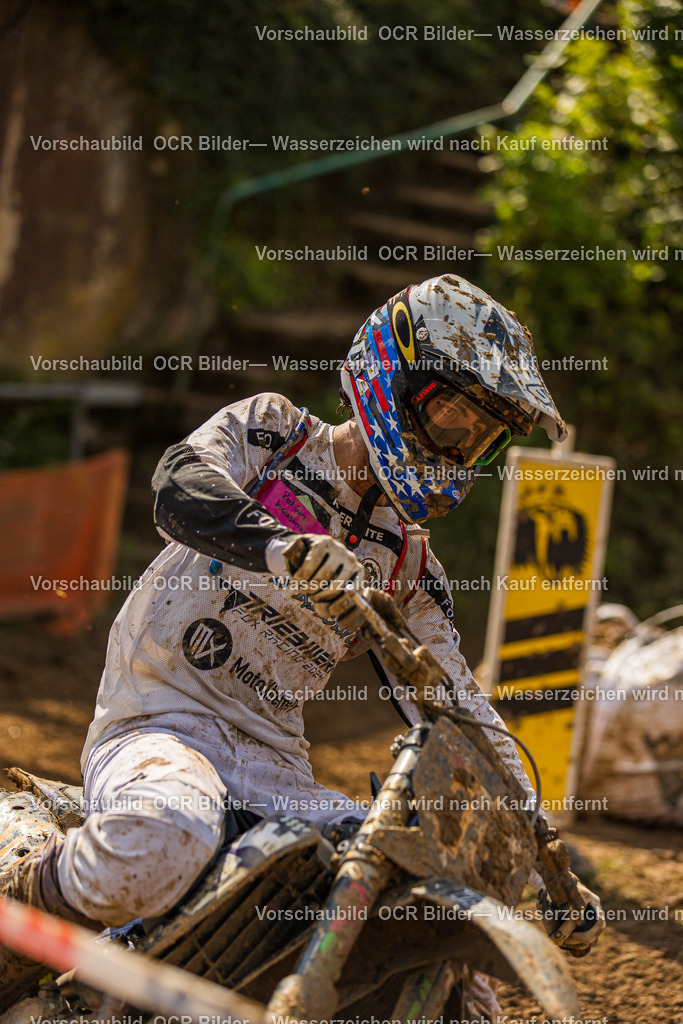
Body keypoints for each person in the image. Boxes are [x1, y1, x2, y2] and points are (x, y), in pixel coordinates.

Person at [0, 275, 604, 1010]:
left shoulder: (409, 567)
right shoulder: (273, 433)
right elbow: (178, 485)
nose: (459, 444)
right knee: (162, 842)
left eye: (478, 436)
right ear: (393, 378)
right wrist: (283, 548)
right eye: (449, 415)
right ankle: (21, 891)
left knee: (431, 912)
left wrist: (546, 860)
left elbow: (464, 712)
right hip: (159, 721)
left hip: (273, 767)